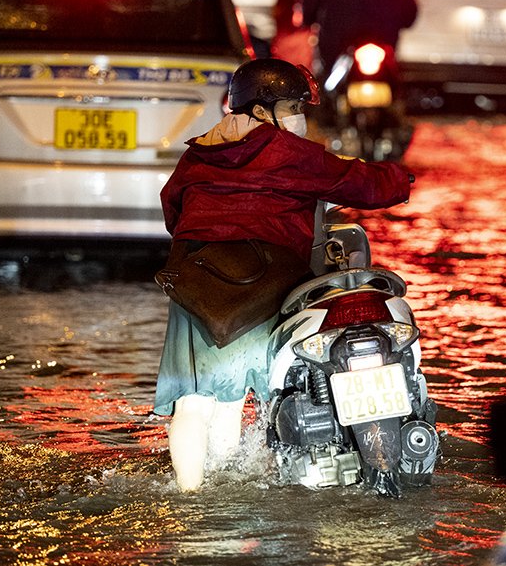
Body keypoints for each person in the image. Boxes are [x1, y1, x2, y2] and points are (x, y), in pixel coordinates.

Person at [154, 57, 414, 492]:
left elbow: (172, 209)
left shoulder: (199, 153)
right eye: (292, 107)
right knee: (234, 401)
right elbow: (359, 182)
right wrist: (403, 176)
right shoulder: (287, 153)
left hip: (199, 285)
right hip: (263, 284)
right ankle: (224, 495)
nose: (298, 117)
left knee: (196, 402)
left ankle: (192, 501)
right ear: (261, 110)